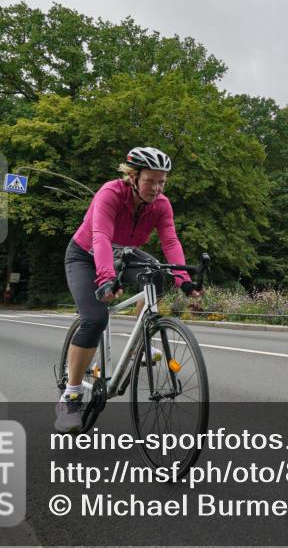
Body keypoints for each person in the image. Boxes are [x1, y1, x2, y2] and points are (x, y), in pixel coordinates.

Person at [56, 147, 201, 433]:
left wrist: (184, 279)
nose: (157, 188)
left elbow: (170, 242)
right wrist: (107, 278)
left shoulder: (161, 204)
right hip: (85, 255)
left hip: (125, 252)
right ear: (133, 177)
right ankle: (71, 395)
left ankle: (140, 345)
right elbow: (100, 237)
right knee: (95, 319)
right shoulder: (110, 193)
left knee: (158, 273)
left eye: (162, 182)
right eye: (151, 181)